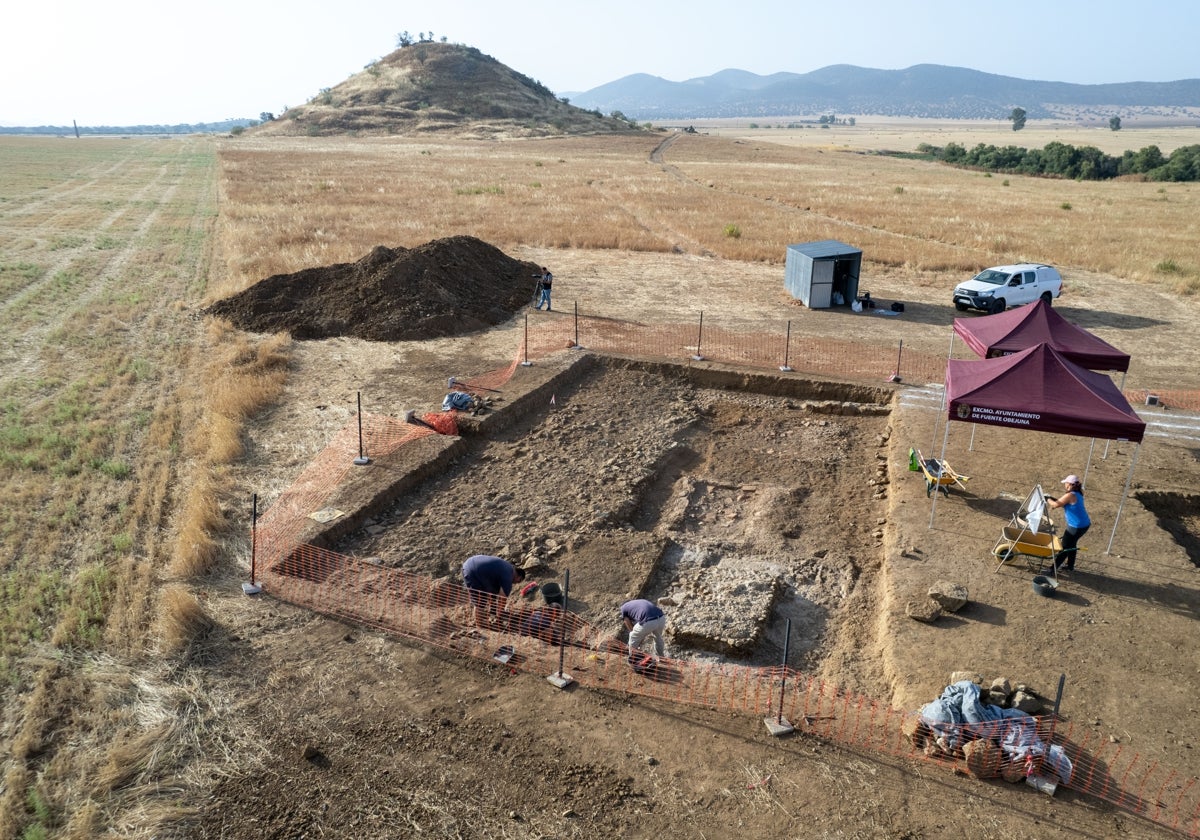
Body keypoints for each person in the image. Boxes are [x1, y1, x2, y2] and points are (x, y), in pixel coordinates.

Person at [461, 555, 525, 626]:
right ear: (519, 577)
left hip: (470, 563)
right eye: (518, 581)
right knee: (480, 601)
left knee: (485, 594)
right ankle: (480, 625)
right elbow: (502, 599)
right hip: (474, 572)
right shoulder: (508, 577)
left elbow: (492, 590)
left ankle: (487, 613)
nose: (516, 583)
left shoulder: (507, 568)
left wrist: (493, 606)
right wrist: (499, 617)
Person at [1046, 474, 1090, 573]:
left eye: (1066, 483)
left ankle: (1052, 569)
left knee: (1064, 547)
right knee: (1072, 545)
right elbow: (1062, 502)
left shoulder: (1070, 495)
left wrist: (1047, 499)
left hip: (1076, 526)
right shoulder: (1078, 492)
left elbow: (1056, 504)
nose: (1064, 484)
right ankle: (1070, 566)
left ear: (1069, 484)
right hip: (1084, 524)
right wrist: (1051, 498)